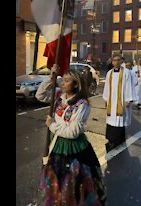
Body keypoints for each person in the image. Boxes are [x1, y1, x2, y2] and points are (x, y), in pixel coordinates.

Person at [35, 64, 106, 205]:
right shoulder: (58, 97)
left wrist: (52, 125)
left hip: (75, 149)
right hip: (57, 145)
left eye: (67, 80)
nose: (62, 83)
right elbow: (40, 95)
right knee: (56, 183)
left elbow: (73, 132)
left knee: (74, 184)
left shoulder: (82, 104)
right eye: (63, 79)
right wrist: (51, 77)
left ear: (75, 85)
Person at [102, 55, 135, 152]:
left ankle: (119, 140)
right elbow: (107, 86)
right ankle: (111, 140)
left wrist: (128, 99)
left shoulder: (126, 73)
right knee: (111, 121)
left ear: (121, 61)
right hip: (111, 102)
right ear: (112, 62)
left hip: (121, 101)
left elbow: (129, 86)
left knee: (120, 121)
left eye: (117, 60)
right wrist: (105, 99)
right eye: (114, 60)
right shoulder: (109, 73)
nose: (116, 62)